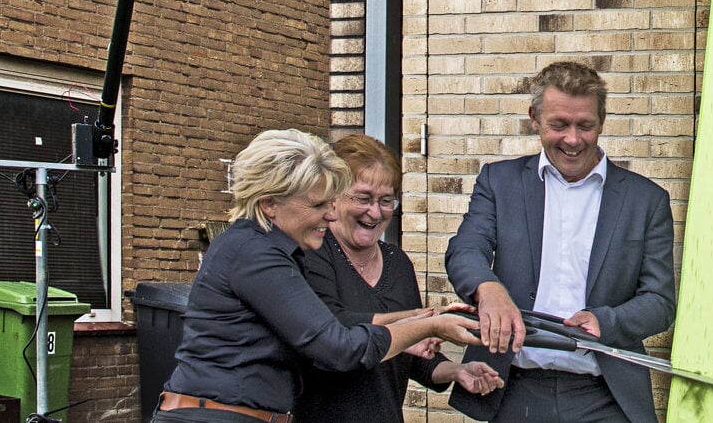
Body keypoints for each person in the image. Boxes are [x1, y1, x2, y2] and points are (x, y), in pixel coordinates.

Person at [159, 129, 481, 422]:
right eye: (318, 205)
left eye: (386, 200)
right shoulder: (255, 255)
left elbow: (336, 327)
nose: (329, 214)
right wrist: (429, 324)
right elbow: (337, 345)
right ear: (270, 204)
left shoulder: (268, 251)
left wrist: (421, 322)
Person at [446, 60, 676, 423]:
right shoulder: (498, 181)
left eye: (585, 125)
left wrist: (607, 320)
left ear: (602, 121)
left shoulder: (646, 200)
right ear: (534, 118)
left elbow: (660, 302)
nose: (572, 139)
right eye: (559, 125)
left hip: (604, 397)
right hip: (513, 388)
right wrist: (488, 289)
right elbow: (465, 250)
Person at [295, 134, 503, 422]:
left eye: (386, 200)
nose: (375, 212)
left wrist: (457, 371)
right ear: (334, 196)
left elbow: (412, 356)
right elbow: (332, 326)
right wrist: (424, 321)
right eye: (364, 198)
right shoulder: (313, 251)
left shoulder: (398, 262)